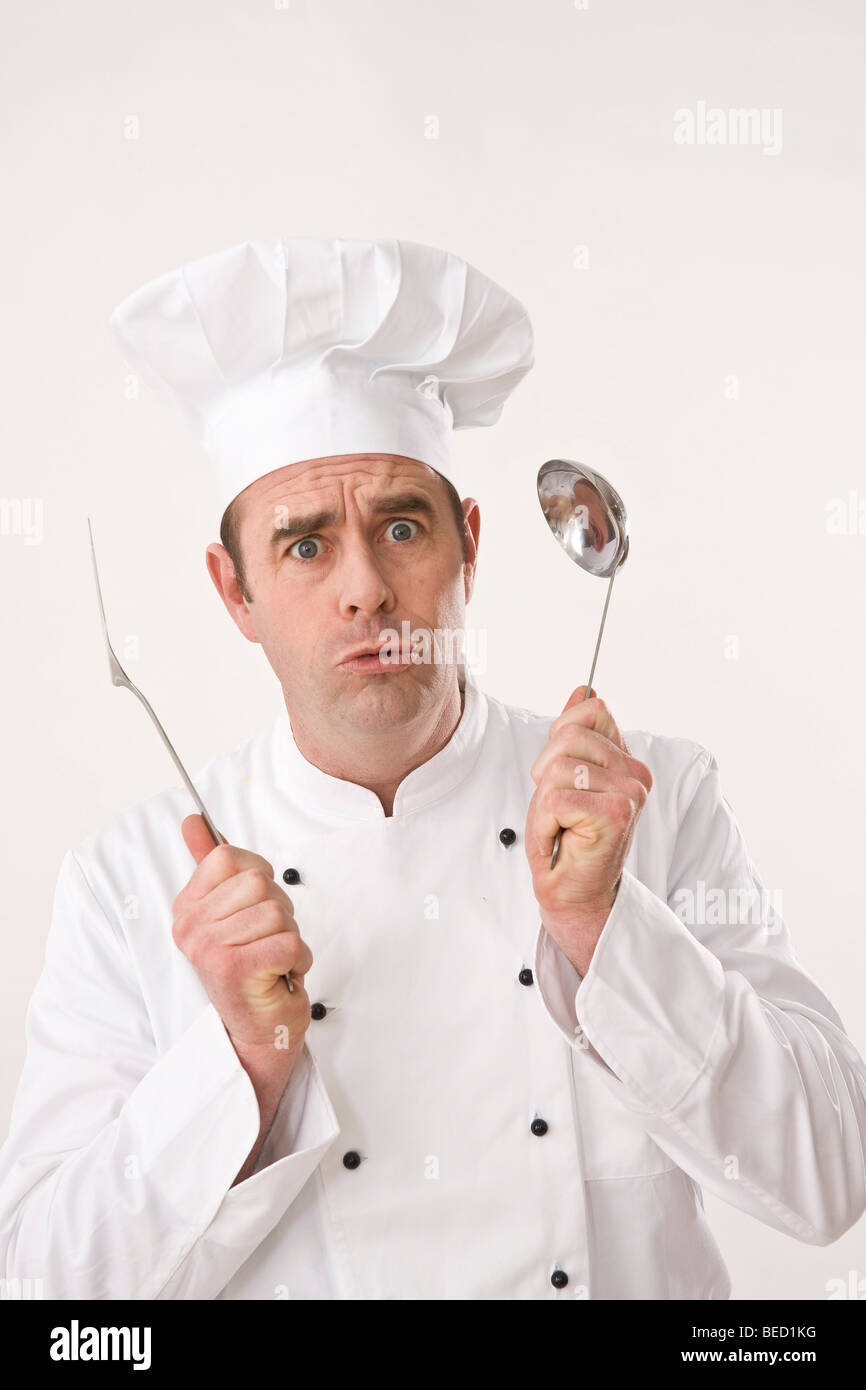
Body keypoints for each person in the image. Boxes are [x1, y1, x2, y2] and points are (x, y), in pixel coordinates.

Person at [1, 237, 864, 1301]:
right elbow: (47, 1296)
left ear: (469, 545)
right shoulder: (130, 879)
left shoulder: (649, 797)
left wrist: (608, 936)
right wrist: (236, 1065)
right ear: (235, 593)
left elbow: (829, 1180)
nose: (364, 587)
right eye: (305, 545)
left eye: (401, 525)